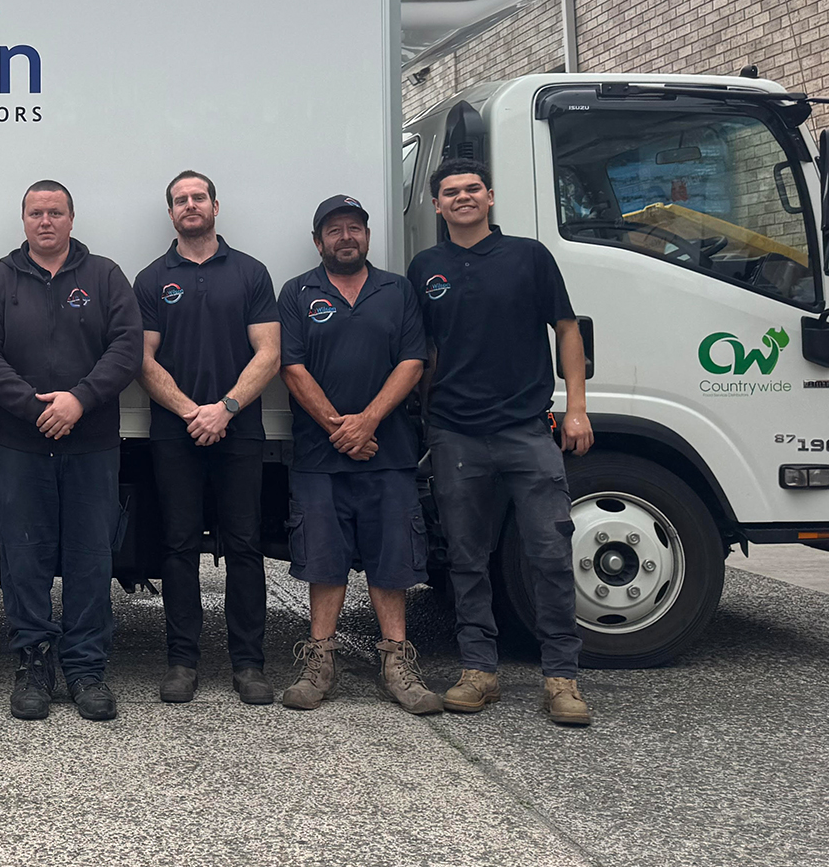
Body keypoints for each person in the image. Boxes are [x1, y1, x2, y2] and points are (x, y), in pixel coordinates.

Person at [407, 157, 594, 727]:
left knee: (549, 554)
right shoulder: (426, 268)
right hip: (455, 433)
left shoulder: (529, 257)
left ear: (489, 197)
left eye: (472, 189)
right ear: (436, 206)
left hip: (526, 429)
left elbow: (567, 329)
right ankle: (478, 672)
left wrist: (577, 408)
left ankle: (561, 679)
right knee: (466, 559)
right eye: (450, 192)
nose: (462, 197)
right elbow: (423, 352)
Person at [0, 180, 143, 722]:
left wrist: (79, 400)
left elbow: (127, 346)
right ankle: (33, 665)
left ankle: (86, 669)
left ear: (71, 218)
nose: (46, 221)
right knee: (25, 558)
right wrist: (33, 407)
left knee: (91, 557)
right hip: (21, 444)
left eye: (56, 212)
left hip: (91, 444)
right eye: (36, 213)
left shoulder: (105, 276)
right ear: (23, 220)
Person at [277, 195, 443, 715]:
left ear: (367, 236)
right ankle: (319, 663)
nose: (345, 237)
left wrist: (367, 422)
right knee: (323, 560)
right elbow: (291, 367)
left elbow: (412, 361)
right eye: (334, 230)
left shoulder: (397, 290)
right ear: (318, 241)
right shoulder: (298, 292)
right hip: (319, 455)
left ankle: (397, 664)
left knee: (391, 560)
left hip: (387, 452)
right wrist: (340, 428)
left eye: (354, 228)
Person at [134, 170, 280, 705]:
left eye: (199, 197)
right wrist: (191, 411)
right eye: (180, 200)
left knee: (244, 545)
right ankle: (182, 662)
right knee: (178, 546)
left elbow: (270, 352)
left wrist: (226, 409)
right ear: (171, 213)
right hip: (175, 433)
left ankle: (249, 664)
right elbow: (141, 359)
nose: (190, 205)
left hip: (239, 431)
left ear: (216, 206)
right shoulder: (152, 279)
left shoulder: (250, 273)